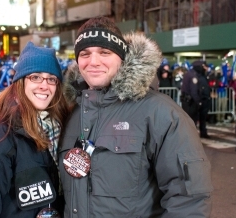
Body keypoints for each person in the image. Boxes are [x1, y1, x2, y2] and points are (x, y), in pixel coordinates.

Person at [59, 16, 213, 217]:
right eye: (85, 53)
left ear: (121, 58)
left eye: (104, 52)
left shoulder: (161, 113)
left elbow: (190, 200)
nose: (93, 62)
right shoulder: (71, 111)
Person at [0, 42, 71, 217]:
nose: (44, 85)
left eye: (51, 79)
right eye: (35, 77)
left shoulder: (60, 127)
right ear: (20, 82)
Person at [181, 60, 212, 138]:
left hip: (191, 101)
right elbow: (194, 91)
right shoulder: (193, 75)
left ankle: (193, 135)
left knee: (196, 119)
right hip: (191, 102)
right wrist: (199, 102)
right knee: (191, 120)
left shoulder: (195, 74)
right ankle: (189, 137)